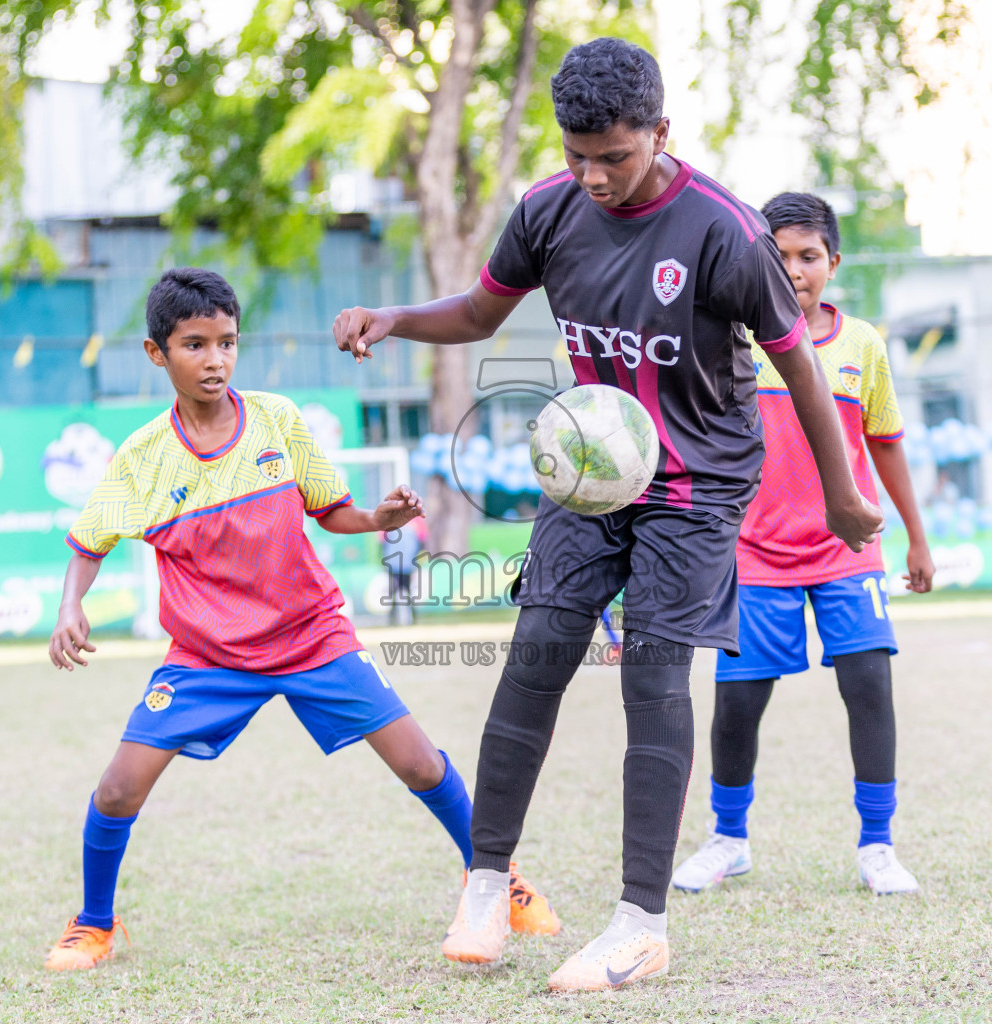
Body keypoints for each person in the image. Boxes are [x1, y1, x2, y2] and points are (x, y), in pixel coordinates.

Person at [332, 39, 882, 992]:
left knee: (653, 681)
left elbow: (796, 359)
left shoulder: (723, 230)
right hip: (594, 473)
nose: (592, 176)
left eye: (613, 157)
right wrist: (393, 316)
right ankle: (487, 876)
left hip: (700, 483)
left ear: (660, 133)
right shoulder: (549, 210)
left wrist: (842, 492)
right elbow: (476, 313)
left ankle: (640, 922)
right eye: (576, 154)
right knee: (536, 655)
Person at [41, 268, 557, 971]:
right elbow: (89, 541)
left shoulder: (278, 421)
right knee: (118, 787)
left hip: (311, 635)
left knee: (416, 760)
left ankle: (497, 878)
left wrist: (378, 518)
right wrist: (72, 604)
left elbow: (333, 511)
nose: (216, 359)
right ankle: (95, 922)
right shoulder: (143, 458)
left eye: (226, 342)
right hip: (208, 654)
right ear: (157, 353)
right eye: (195, 344)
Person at [671, 192, 935, 898]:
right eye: (778, 255)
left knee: (869, 687)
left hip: (846, 550)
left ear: (833, 262)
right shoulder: (731, 339)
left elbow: (885, 446)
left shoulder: (864, 345)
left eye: (808, 256)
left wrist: (916, 537)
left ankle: (877, 846)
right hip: (754, 553)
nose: (793, 270)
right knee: (739, 702)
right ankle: (729, 839)